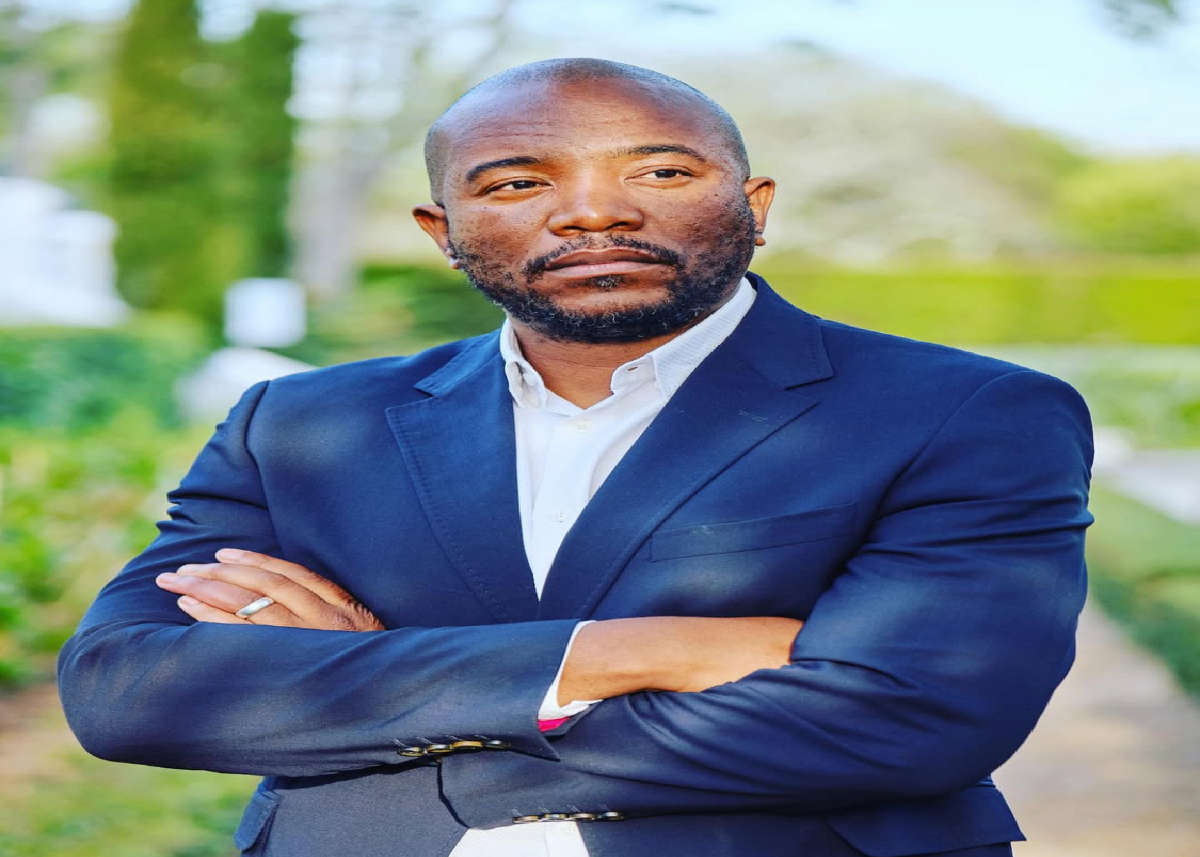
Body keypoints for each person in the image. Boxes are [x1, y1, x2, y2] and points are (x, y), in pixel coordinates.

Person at [57, 58, 1093, 857]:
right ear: (441, 229)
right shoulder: (299, 421)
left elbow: (910, 715)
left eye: (662, 171)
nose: (595, 211)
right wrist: (625, 652)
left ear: (755, 205)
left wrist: (372, 707)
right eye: (516, 181)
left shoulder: (966, 411)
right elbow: (127, 688)